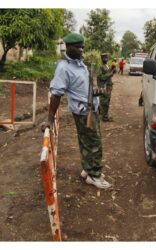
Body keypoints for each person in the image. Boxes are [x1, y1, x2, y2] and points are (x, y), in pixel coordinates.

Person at [41, 33, 112, 189]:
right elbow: (56, 95)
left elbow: (84, 86)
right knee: (94, 142)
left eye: (82, 46)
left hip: (90, 107)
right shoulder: (63, 67)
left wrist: (95, 91)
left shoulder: (80, 64)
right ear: (68, 47)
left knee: (86, 141)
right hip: (83, 111)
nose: (81, 49)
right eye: (78, 47)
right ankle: (95, 175)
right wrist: (50, 119)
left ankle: (88, 169)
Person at [97, 53, 116, 122]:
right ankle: (104, 117)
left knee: (107, 101)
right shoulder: (100, 66)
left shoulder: (106, 65)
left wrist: (112, 70)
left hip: (108, 85)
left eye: (107, 58)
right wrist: (110, 74)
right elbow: (100, 77)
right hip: (103, 86)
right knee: (104, 102)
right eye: (104, 58)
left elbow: (108, 73)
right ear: (101, 58)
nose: (106, 59)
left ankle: (105, 115)